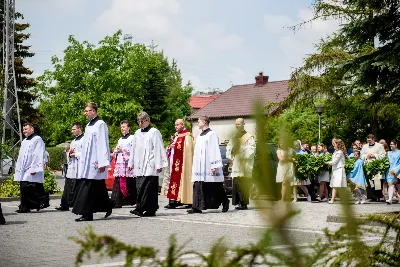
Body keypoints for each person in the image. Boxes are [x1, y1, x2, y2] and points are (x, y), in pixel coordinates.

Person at [72, 103, 112, 222]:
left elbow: (102, 143)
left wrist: (103, 162)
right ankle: (107, 206)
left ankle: (87, 213)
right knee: (98, 187)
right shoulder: (89, 125)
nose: (85, 113)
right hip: (87, 161)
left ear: (94, 111)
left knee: (88, 186)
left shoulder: (100, 124)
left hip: (95, 161)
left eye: (87, 111)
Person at [128, 111, 167, 217]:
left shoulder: (154, 132)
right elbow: (133, 149)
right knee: (140, 186)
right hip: (139, 164)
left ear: (147, 121)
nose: (140, 124)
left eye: (142, 121)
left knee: (148, 187)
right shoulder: (137, 133)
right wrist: (130, 163)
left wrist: (159, 164)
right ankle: (146, 208)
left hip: (151, 163)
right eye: (138, 121)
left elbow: (158, 148)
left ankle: (143, 208)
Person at [189, 116, 230, 213]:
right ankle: (197, 206)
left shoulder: (211, 134)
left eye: (199, 121)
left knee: (215, 185)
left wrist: (214, 165)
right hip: (200, 166)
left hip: (208, 165)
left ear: (204, 122)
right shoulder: (200, 136)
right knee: (198, 184)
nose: (197, 123)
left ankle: (225, 201)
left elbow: (214, 150)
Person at [14, 123, 50, 213]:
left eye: (26, 129)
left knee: (31, 188)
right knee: (24, 187)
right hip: (24, 169)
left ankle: (43, 199)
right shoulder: (25, 140)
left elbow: (38, 154)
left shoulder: (37, 139)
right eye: (23, 129)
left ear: (32, 129)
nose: (24, 131)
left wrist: (34, 168)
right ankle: (24, 207)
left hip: (31, 168)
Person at [164, 119, 195, 209]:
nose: (176, 127)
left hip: (183, 164)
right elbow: (170, 147)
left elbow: (188, 150)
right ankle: (173, 200)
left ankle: (185, 200)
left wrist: (176, 145)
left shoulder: (187, 136)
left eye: (177, 125)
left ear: (182, 125)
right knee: (173, 180)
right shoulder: (175, 135)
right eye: (175, 125)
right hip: (174, 162)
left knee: (182, 180)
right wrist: (170, 147)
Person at [226, 118, 256, 210]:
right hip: (236, 163)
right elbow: (229, 147)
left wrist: (240, 150)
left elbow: (252, 149)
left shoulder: (249, 137)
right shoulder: (234, 136)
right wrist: (231, 150)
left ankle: (244, 203)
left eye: (238, 124)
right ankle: (238, 202)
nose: (237, 126)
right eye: (236, 124)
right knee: (237, 183)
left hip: (244, 163)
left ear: (243, 124)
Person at [56, 122, 84, 211]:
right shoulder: (73, 141)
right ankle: (64, 204)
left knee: (77, 186)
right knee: (68, 185)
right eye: (72, 129)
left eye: (74, 129)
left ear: (79, 129)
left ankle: (75, 204)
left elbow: (85, 153)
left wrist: (76, 154)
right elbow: (70, 153)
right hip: (72, 166)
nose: (72, 131)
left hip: (79, 166)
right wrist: (70, 153)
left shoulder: (84, 140)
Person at [111, 120, 136, 208]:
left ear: (129, 128)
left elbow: (134, 150)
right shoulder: (120, 139)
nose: (122, 129)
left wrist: (123, 150)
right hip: (120, 163)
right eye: (121, 127)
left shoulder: (132, 138)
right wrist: (116, 150)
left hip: (127, 163)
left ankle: (129, 200)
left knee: (129, 182)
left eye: (124, 127)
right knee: (118, 181)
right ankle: (116, 200)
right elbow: (117, 150)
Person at [360, 134, 386, 201]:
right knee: (370, 182)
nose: (369, 142)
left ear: (373, 139)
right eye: (368, 140)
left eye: (370, 140)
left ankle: (378, 196)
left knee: (377, 182)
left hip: (376, 166)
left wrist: (374, 155)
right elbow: (361, 155)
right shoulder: (365, 146)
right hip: (368, 166)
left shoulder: (379, 146)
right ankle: (372, 196)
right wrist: (366, 156)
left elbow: (383, 155)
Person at [325, 138, 347, 204]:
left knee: (336, 185)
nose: (333, 145)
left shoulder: (339, 152)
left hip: (339, 170)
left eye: (335, 144)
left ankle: (332, 200)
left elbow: (334, 162)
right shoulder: (336, 151)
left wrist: (326, 162)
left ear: (338, 145)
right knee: (337, 185)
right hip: (335, 170)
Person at [386, 140, 400, 204]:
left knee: (398, 185)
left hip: (398, 171)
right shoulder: (389, 153)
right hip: (390, 171)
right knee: (390, 184)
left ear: (396, 145)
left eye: (392, 144)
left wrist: (396, 170)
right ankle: (390, 199)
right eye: (390, 144)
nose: (391, 145)